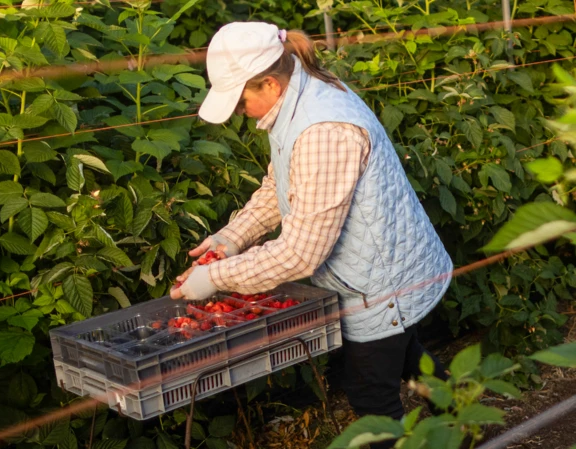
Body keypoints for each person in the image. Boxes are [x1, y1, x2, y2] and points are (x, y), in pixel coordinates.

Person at [169, 22, 452, 447]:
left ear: (268, 81)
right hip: (377, 269)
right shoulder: (297, 99)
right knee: (409, 359)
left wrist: (215, 278)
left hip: (380, 283)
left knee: (370, 396)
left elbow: (301, 254)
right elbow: (280, 186)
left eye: (241, 98)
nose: (240, 110)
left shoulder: (324, 129)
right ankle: (467, 423)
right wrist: (230, 239)